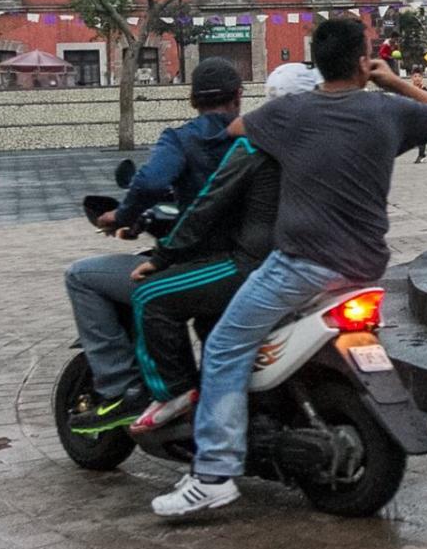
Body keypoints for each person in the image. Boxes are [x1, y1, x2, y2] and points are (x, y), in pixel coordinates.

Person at [151, 16, 427, 517]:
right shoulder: (387, 112)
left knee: (226, 345)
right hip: (365, 266)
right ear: (365, 60)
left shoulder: (291, 113)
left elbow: (232, 128)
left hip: (301, 266)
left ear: (316, 63)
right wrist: (391, 80)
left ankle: (212, 473)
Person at [122, 63, 321, 433]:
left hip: (256, 264)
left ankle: (176, 393)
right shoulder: (329, 143)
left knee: (150, 297)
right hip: (326, 263)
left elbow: (207, 205)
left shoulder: (255, 143)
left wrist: (162, 257)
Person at [64, 58, 244, 434]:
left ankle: (122, 388)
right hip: (249, 259)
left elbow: (149, 182)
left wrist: (121, 216)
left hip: (197, 265)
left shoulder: (181, 139)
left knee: (81, 276)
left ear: (192, 100)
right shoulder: (250, 139)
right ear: (239, 96)